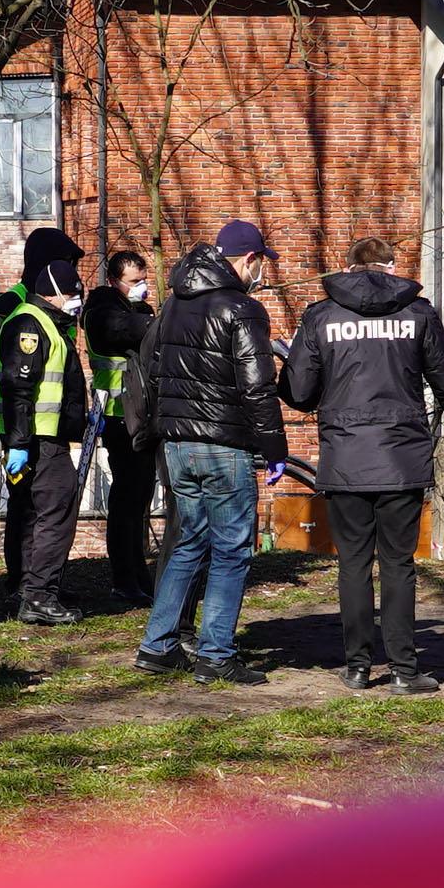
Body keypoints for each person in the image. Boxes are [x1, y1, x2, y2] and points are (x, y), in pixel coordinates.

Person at [281, 236, 444, 692]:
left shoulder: (321, 316)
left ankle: (356, 667)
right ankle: (404, 670)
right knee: (398, 564)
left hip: (346, 457)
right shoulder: (418, 314)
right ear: (391, 266)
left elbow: (297, 393)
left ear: (348, 266)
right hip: (400, 457)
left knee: (353, 564)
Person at [129, 218, 289, 684]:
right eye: (261, 264)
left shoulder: (174, 304)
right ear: (250, 260)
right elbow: (258, 388)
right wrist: (274, 447)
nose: (262, 275)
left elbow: (150, 370)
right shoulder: (243, 310)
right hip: (223, 445)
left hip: (176, 444)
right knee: (232, 550)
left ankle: (158, 645)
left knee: (187, 543)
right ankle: (216, 653)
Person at [0, 242, 92, 625]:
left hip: (36, 437)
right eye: (73, 293)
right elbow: (19, 387)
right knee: (57, 512)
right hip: (38, 438)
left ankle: (32, 589)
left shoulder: (44, 321)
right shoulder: (31, 324)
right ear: (55, 292)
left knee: (33, 512)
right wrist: (20, 444)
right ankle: (38, 595)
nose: (76, 301)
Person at [81, 249, 159, 602]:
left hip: (139, 414)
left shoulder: (136, 309)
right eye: (134, 282)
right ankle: (124, 578)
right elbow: (127, 331)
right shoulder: (101, 311)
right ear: (114, 281)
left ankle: (138, 573)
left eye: (144, 281)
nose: (141, 287)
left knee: (141, 495)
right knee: (127, 499)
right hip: (117, 415)